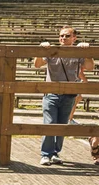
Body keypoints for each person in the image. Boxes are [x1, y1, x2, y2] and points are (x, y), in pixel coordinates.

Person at [34, 25, 94, 166]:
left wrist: (87, 52)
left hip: (69, 94)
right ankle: (46, 154)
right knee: (49, 123)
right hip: (51, 93)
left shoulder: (78, 52)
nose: (63, 38)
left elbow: (90, 66)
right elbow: (37, 64)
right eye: (61, 36)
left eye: (67, 36)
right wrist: (41, 50)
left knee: (62, 125)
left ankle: (55, 152)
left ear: (74, 38)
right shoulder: (52, 51)